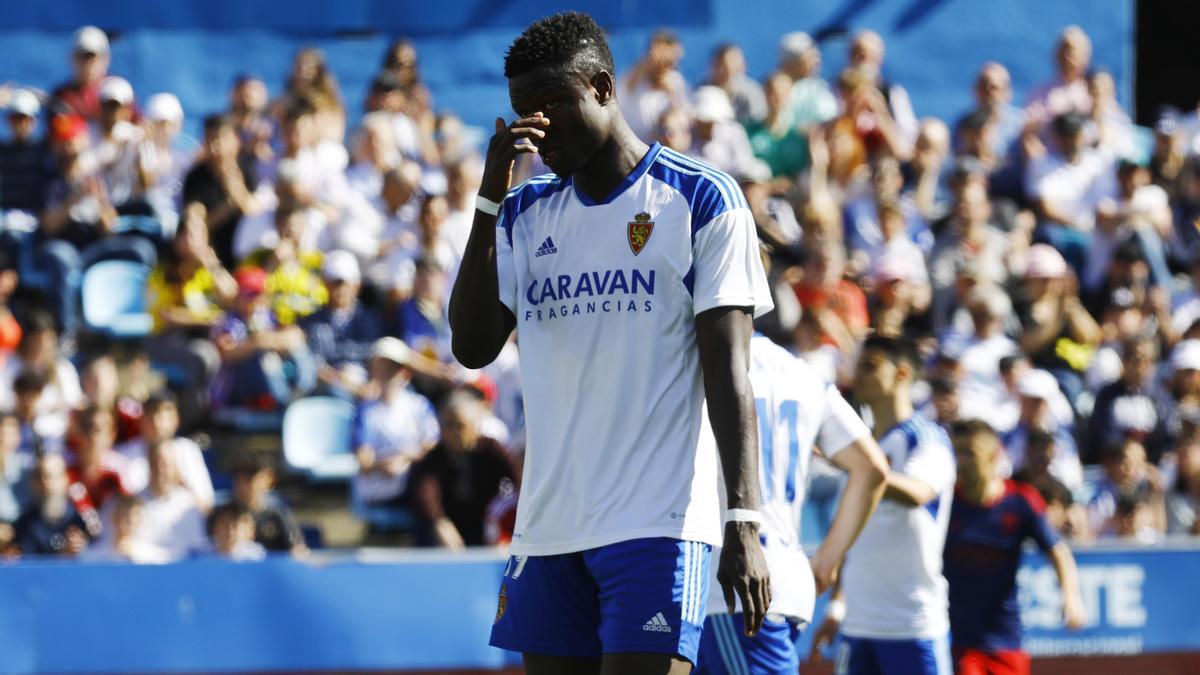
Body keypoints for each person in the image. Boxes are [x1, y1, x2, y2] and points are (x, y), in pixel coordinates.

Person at [450, 13, 773, 674]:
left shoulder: (701, 199)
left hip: (657, 525)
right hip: (549, 528)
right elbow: (473, 346)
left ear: (601, 87)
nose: (537, 131)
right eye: (522, 115)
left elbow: (730, 371)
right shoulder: (522, 211)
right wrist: (490, 194)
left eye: (551, 108)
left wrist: (744, 516)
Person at [695, 333, 888, 675]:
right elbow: (871, 468)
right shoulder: (802, 373)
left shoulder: (697, 354)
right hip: (783, 573)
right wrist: (827, 559)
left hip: (731, 584)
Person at [810, 336, 956, 675]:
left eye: (870, 366)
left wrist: (859, 468)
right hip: (858, 627)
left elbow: (918, 492)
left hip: (913, 625)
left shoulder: (925, 438)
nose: (857, 373)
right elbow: (856, 535)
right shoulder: (863, 447)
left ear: (902, 374)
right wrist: (837, 608)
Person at [943, 420, 1085, 675]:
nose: (961, 461)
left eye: (970, 453)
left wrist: (1071, 596)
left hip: (1005, 640)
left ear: (994, 456)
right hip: (956, 640)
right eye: (957, 453)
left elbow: (1058, 551)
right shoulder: (945, 502)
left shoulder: (1020, 502)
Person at [408, 393, 520, 549]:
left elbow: (519, 478)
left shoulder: (491, 450)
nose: (452, 432)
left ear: (475, 426)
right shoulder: (433, 459)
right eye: (447, 425)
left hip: (486, 523)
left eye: (459, 425)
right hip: (450, 527)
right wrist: (439, 521)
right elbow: (425, 492)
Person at [210, 267, 316, 411]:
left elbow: (293, 334)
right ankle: (285, 403)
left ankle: (303, 389)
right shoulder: (229, 321)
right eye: (249, 294)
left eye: (259, 294)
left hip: (269, 380)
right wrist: (256, 342)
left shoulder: (267, 316)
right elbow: (226, 354)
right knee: (264, 356)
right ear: (238, 295)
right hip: (236, 388)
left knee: (297, 345)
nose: (255, 300)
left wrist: (283, 339)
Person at [352, 337, 439, 508]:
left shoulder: (419, 405)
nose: (388, 372)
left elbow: (432, 445)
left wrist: (404, 459)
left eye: (394, 367)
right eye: (382, 366)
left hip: (416, 484)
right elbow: (364, 461)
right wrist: (388, 464)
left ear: (405, 371)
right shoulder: (365, 412)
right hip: (379, 490)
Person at [300, 250, 381, 397]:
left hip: (368, 384)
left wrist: (374, 382)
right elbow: (314, 365)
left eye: (343, 283)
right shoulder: (311, 322)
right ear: (325, 284)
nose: (338, 289)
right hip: (333, 388)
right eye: (333, 282)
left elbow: (377, 356)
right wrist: (347, 384)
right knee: (334, 392)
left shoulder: (371, 319)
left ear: (356, 286)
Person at [115, 392, 214, 512]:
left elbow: (206, 506)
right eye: (151, 414)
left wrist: (178, 480)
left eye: (164, 415)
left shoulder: (188, 450)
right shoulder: (122, 454)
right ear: (141, 420)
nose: (156, 422)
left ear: (176, 419)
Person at [136, 440, 208, 560]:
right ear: (148, 465)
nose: (160, 469)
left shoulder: (189, 505)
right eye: (155, 462)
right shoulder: (134, 503)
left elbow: (195, 548)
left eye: (165, 463)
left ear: (175, 467)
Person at [13, 453, 96, 556]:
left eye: (50, 476)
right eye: (39, 476)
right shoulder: (25, 523)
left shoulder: (81, 520)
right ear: (32, 483)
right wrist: (60, 554)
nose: (45, 482)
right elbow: (25, 562)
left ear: (65, 479)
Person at [228, 451, 307, 555]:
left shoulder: (277, 514)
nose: (241, 484)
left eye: (248, 478)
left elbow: (297, 550)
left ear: (267, 479)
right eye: (237, 478)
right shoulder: (225, 515)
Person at [620, 29, 691, 144]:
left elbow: (685, 124)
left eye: (673, 59)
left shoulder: (677, 82)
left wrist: (672, 93)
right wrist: (648, 61)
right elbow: (627, 86)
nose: (667, 63)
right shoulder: (632, 76)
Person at [0, 88, 55, 215]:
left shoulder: (45, 149)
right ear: (8, 120)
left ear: (34, 121)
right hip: (5, 214)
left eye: (25, 119)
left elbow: (67, 114)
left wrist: (42, 98)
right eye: (16, 118)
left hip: (35, 216)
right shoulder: (2, 150)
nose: (21, 124)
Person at [50, 26, 113, 123]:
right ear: (72, 59)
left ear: (106, 59)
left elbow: (138, 122)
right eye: (83, 57)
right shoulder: (61, 97)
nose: (88, 64)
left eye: (93, 57)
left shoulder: (118, 92)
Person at [704, 44, 765, 126]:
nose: (724, 70)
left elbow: (756, 126)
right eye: (721, 65)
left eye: (737, 64)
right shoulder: (703, 89)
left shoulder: (752, 93)